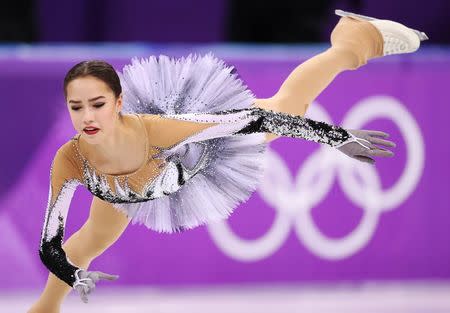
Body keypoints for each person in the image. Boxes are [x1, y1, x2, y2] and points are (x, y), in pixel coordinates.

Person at [28, 10, 427, 313]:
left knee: (288, 107)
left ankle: (354, 41)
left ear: (118, 103)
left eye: (97, 104)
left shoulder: (158, 129)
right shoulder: (71, 158)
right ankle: (45, 308)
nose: (87, 117)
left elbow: (255, 120)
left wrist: (336, 138)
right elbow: (51, 244)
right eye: (76, 107)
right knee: (92, 239)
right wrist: (72, 274)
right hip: (125, 185)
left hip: (199, 148)